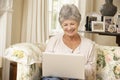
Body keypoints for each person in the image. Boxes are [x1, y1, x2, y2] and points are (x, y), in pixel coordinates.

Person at [45, 4, 96, 80]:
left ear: (78, 23)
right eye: (65, 25)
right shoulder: (53, 41)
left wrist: (75, 69)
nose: (69, 28)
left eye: (72, 24)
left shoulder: (89, 45)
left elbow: (92, 69)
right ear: (61, 26)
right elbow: (47, 65)